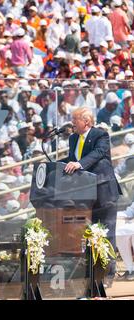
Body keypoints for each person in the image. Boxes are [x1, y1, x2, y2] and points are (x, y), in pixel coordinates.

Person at [63, 107, 123, 278]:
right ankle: (92, 271)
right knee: (89, 232)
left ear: (86, 121)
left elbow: (97, 154)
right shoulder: (73, 138)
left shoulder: (100, 135)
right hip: (86, 194)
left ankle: (108, 273)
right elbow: (71, 160)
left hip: (105, 192)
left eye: (75, 119)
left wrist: (79, 164)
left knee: (107, 232)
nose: (72, 123)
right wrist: (53, 165)